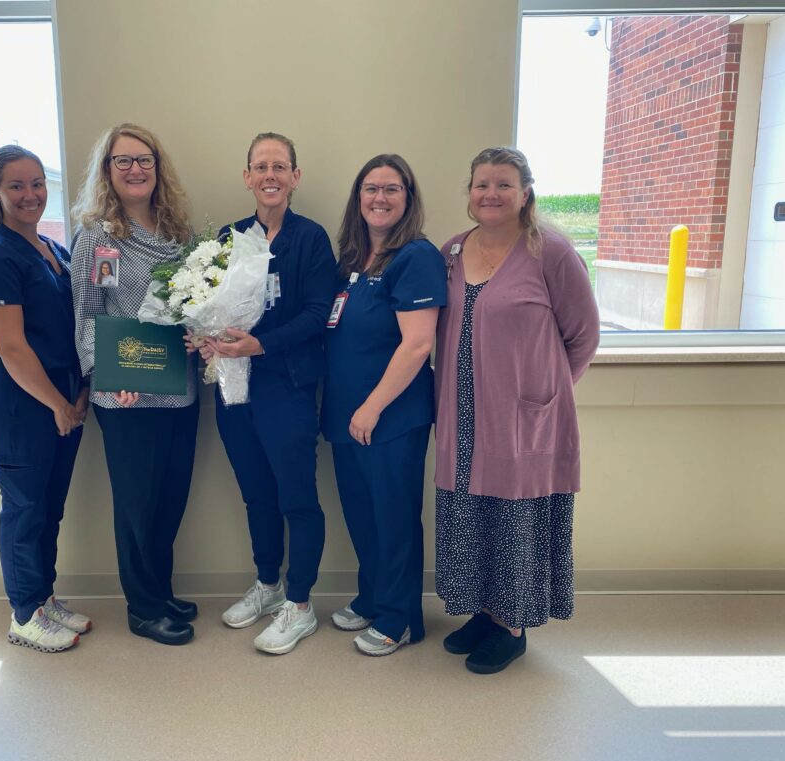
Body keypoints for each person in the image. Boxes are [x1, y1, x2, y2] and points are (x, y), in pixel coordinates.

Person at [434, 147, 599, 674]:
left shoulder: (549, 252)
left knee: (513, 519)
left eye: (503, 184)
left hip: (525, 420)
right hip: (461, 414)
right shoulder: (452, 253)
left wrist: (543, 396)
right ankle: (485, 612)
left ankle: (512, 626)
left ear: (525, 192)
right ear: (469, 193)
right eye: (481, 184)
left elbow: (583, 336)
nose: (491, 194)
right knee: (471, 513)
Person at [200, 132, 337, 655]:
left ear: (295, 177)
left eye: (280, 166)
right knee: (256, 492)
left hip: (288, 386)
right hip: (235, 389)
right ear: (247, 177)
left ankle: (299, 605)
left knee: (296, 498)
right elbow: (207, 301)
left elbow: (316, 314)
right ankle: (268, 584)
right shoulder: (230, 240)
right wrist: (204, 334)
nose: (270, 175)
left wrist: (260, 345)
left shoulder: (311, 239)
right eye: (261, 166)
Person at [71, 123, 199, 646]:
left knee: (170, 498)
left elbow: (193, 305)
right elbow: (90, 313)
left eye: (143, 159)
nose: (134, 169)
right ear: (107, 171)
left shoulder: (179, 235)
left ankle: (159, 589)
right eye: (122, 161)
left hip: (179, 389)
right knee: (136, 504)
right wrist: (108, 374)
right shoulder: (103, 238)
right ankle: (143, 608)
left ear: (157, 166)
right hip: (126, 393)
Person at [0, 145, 91, 653]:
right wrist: (59, 405)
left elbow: (76, 325)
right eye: (16, 185)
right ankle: (24, 614)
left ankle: (44, 597)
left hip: (63, 394)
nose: (29, 195)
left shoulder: (53, 250)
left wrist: (77, 392)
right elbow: (12, 347)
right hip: (22, 405)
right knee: (23, 510)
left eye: (37, 183)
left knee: (49, 508)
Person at [321, 154, 446, 656]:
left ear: (408, 198)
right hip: (345, 414)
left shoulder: (416, 257)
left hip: (389, 416)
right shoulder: (351, 259)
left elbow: (417, 345)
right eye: (370, 189)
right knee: (361, 514)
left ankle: (400, 617)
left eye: (392, 189)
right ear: (358, 198)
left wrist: (372, 407)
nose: (379, 197)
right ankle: (373, 596)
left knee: (393, 516)